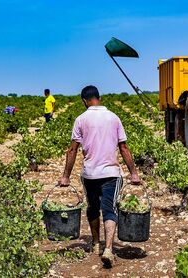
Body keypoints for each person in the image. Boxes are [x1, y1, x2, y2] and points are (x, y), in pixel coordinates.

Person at [58, 85, 141, 268]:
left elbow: (72, 150)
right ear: (99, 98)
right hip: (111, 173)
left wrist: (65, 176)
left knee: (93, 207)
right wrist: (133, 173)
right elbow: (124, 147)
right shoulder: (114, 117)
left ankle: (96, 244)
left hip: (90, 174)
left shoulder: (81, 119)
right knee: (110, 209)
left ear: (84, 101)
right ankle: (109, 249)